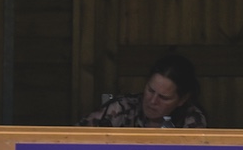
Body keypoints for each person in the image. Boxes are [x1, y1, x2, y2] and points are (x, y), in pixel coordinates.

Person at [80, 54, 209, 129]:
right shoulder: (122, 108)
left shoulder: (192, 119)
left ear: (182, 100)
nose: (152, 101)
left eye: (163, 98)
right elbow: (74, 138)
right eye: (150, 90)